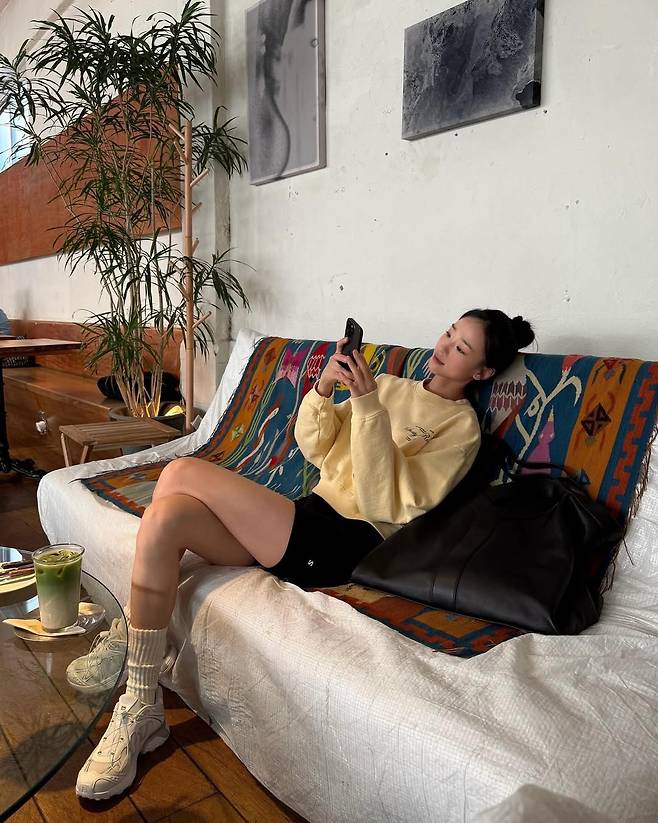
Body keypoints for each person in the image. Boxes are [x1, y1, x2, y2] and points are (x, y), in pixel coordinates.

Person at [70, 308, 535, 800]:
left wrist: (368, 407)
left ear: (482, 372)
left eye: (461, 348)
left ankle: (134, 648)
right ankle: (143, 701)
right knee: (167, 518)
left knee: (180, 471)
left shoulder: (460, 430)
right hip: (306, 515)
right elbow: (316, 446)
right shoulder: (390, 386)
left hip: (347, 541)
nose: (443, 347)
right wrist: (325, 389)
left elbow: (384, 501)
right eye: (449, 333)